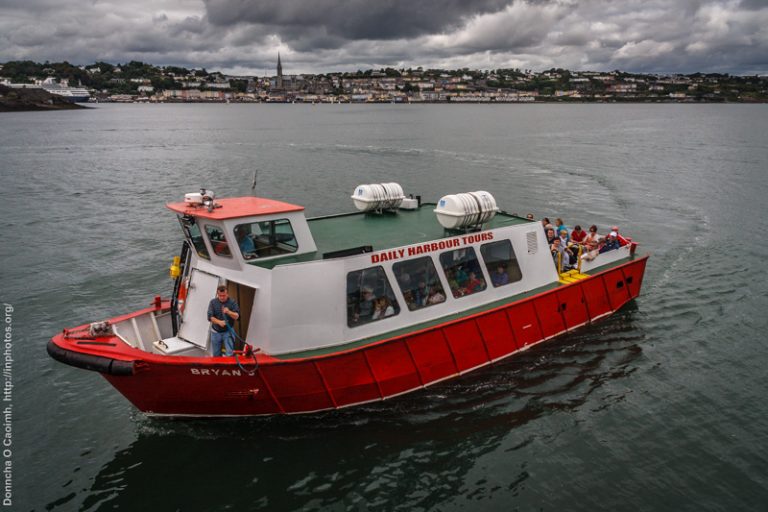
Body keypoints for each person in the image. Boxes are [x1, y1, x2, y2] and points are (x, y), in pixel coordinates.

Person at [207, 285, 240, 356]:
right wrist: (219, 322)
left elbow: (237, 316)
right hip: (215, 332)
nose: (222, 297)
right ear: (217, 294)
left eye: (224, 295)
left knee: (229, 353)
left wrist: (229, 312)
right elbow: (210, 317)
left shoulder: (232, 302)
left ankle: (229, 366)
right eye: (220, 295)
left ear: (227, 294)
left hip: (228, 332)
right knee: (216, 354)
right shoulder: (213, 302)